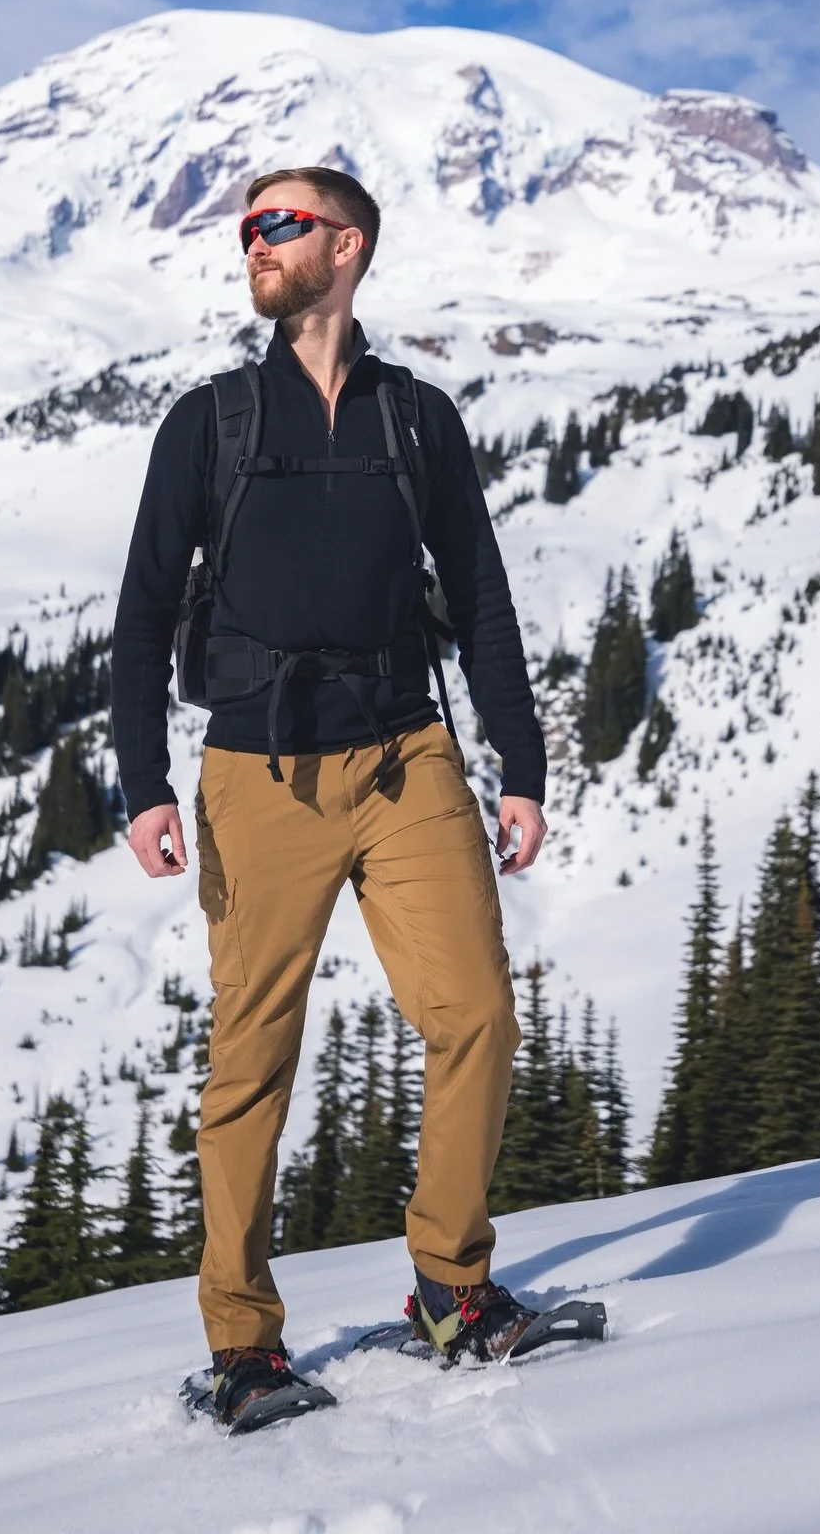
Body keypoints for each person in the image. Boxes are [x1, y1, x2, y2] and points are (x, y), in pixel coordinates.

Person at [112, 164, 549, 1427]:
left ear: (345, 247)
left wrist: (521, 766)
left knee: (476, 1013)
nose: (255, 243)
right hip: (259, 773)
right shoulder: (211, 422)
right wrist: (145, 782)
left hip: (411, 759)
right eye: (247, 228)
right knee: (251, 1058)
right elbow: (142, 615)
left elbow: (478, 599)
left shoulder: (418, 419)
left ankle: (452, 1287)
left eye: (279, 225)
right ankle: (243, 1345)